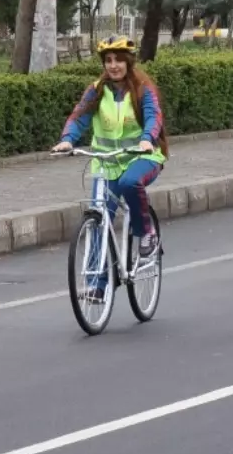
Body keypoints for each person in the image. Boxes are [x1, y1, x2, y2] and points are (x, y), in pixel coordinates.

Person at [54, 35, 168, 279]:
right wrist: (67, 139)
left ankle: (146, 233)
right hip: (106, 163)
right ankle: (97, 284)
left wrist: (147, 138)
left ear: (129, 62)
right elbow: (79, 117)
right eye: (108, 60)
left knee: (129, 183)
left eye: (118, 60)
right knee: (98, 221)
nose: (113, 65)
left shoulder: (142, 88)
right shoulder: (96, 90)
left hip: (143, 157)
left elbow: (153, 116)